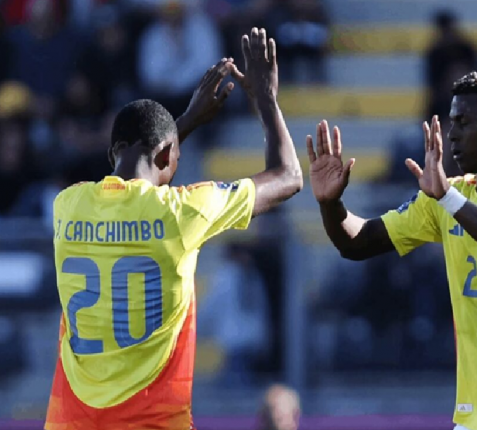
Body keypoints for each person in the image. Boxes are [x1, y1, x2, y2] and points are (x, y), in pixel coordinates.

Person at [45, 28, 302, 430]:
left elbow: (129, 179)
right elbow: (288, 177)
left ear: (113, 152)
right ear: (168, 154)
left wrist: (181, 125)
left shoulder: (68, 206)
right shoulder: (182, 211)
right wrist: (266, 99)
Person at [307, 68, 477, 430]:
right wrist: (331, 204)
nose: (452, 134)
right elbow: (357, 243)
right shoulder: (446, 197)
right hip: (476, 417)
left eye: (464, 123)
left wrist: (449, 200)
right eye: (451, 122)